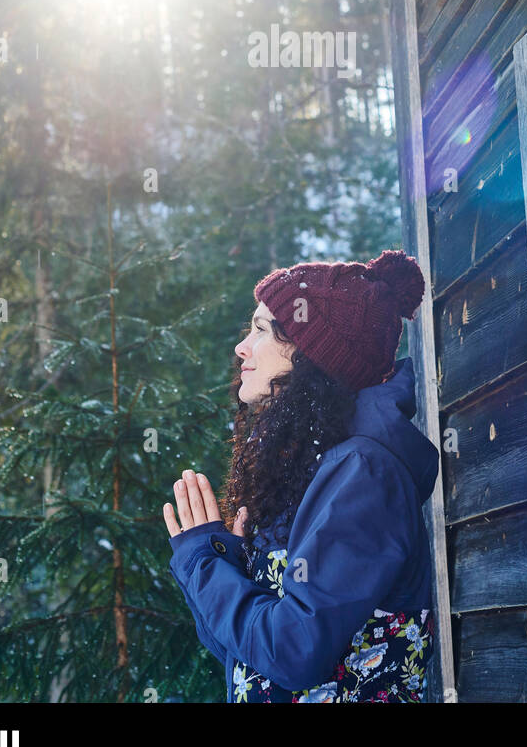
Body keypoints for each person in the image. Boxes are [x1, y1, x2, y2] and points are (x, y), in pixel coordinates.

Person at [163, 248, 441, 703]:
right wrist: (223, 566)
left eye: (259, 330)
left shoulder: (364, 473)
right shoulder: (305, 472)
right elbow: (245, 658)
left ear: (309, 356)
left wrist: (202, 565)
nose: (242, 347)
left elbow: (293, 652)